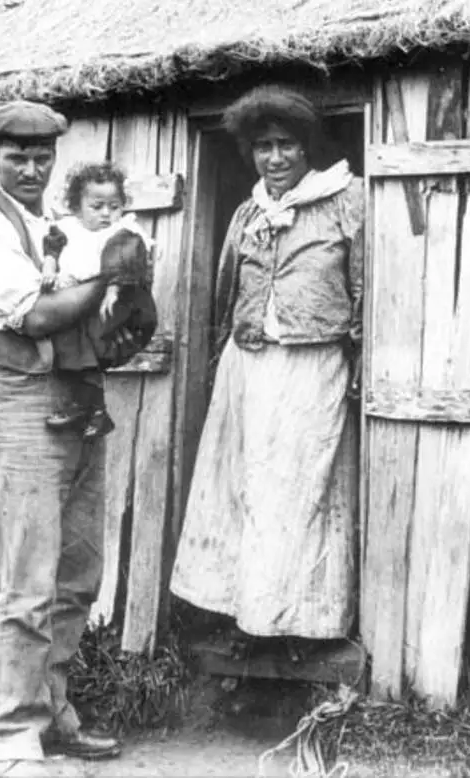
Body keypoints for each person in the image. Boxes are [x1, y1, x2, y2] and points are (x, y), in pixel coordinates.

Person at [0, 101, 122, 778]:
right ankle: (9, 736)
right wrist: (110, 272)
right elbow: (37, 313)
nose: (30, 167)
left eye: (41, 155)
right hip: (20, 409)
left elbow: (89, 328)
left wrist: (120, 315)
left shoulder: (57, 230)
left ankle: (51, 713)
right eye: (16, 155)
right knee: (27, 582)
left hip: (78, 405)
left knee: (77, 575)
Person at [170, 83, 364, 661]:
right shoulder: (247, 213)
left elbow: (367, 285)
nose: (275, 158)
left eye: (286, 145)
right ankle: (247, 615)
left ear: (308, 149)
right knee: (244, 490)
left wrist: (359, 359)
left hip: (313, 367)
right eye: (263, 147)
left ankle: (304, 625)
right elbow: (225, 290)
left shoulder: (344, 201)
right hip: (249, 366)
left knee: (300, 492)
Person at [43, 161, 156, 435]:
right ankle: (92, 408)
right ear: (76, 206)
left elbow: (124, 257)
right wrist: (49, 266)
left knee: (89, 342)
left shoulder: (123, 231)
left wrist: (114, 288)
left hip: (124, 302)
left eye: (114, 206)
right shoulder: (67, 229)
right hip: (88, 303)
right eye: (97, 207)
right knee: (70, 343)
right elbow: (52, 246)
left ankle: (91, 408)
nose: (107, 214)